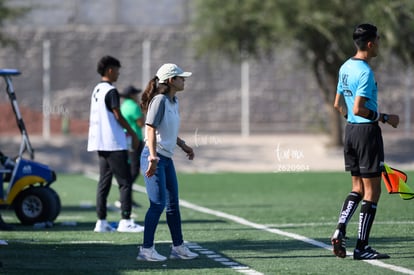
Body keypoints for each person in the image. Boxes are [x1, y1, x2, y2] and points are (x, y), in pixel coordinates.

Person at [331, 23, 399, 260]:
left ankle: (340, 228)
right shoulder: (366, 72)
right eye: (378, 40)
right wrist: (385, 118)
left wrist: (352, 122)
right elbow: (359, 108)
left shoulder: (345, 67)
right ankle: (362, 247)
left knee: (357, 188)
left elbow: (338, 105)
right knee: (373, 192)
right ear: (370, 44)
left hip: (350, 132)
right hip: (366, 134)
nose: (379, 43)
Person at [136, 63, 198, 261]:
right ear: (171, 80)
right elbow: (150, 129)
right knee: (157, 204)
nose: (184, 80)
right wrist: (153, 157)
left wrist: (182, 145)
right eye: (181, 77)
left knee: (172, 205)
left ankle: (178, 247)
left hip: (166, 158)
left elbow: (167, 130)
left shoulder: (174, 101)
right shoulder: (160, 100)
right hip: (153, 157)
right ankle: (146, 250)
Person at [87, 55, 144, 233]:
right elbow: (117, 116)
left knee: (104, 182)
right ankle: (126, 220)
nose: (118, 74)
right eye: (117, 70)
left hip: (100, 142)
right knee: (125, 182)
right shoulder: (110, 90)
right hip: (113, 142)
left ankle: (101, 222)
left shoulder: (97, 89)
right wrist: (134, 134)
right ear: (110, 70)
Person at [118, 85, 145, 208]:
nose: (137, 96)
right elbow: (141, 123)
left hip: (125, 139)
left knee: (130, 169)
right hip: (135, 140)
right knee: (134, 170)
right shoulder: (134, 106)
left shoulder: (124, 106)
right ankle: (124, 196)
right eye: (135, 94)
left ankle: (127, 198)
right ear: (131, 95)